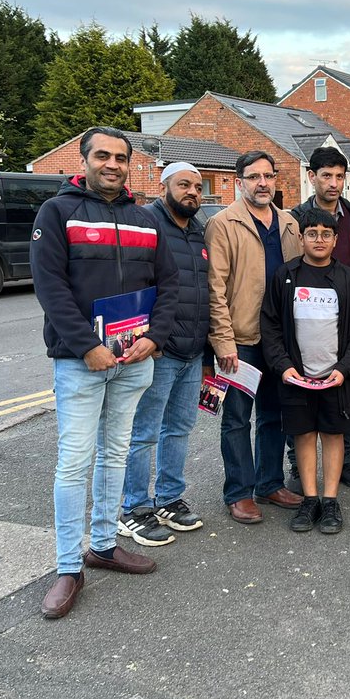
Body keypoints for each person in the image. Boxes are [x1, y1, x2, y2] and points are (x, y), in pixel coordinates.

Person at [31, 126, 180, 619]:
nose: (112, 164)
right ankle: (69, 566)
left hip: (134, 360)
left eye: (120, 157)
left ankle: (104, 545)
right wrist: (86, 346)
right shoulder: (58, 213)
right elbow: (50, 287)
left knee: (115, 452)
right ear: (85, 160)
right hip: (82, 362)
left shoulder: (144, 219)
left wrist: (155, 338)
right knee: (74, 462)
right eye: (103, 156)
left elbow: (170, 286)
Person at [207, 151, 304, 524]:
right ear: (239, 182)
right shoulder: (222, 223)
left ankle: (269, 483)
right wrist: (223, 340)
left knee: (274, 415)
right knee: (236, 418)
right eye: (253, 176)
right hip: (241, 338)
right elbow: (215, 286)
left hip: (279, 339)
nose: (262, 183)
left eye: (268, 175)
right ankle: (239, 493)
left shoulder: (289, 223)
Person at [118, 163, 211, 547]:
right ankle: (134, 508)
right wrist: (150, 339)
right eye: (183, 185)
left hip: (192, 349)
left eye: (197, 187)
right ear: (164, 186)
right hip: (158, 350)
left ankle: (169, 498)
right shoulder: (146, 223)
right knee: (143, 433)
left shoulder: (198, 230)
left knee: (180, 428)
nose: (192, 192)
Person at [261, 209, 350, 534]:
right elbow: (270, 324)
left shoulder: (348, 278)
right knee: (304, 436)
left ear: (336, 240)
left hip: (336, 378)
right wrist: (283, 367)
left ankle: (331, 500)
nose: (319, 239)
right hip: (297, 377)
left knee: (334, 435)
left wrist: (346, 368)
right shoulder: (285, 276)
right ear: (301, 237)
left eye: (326, 234)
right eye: (312, 233)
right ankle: (310, 499)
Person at [286, 147, 350, 491]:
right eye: (326, 175)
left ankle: (346, 461)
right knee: (301, 393)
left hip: (349, 321)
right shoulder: (294, 218)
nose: (334, 183)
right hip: (306, 317)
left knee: (346, 392)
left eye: (340, 176)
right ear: (311, 177)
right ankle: (299, 467)